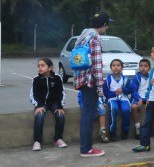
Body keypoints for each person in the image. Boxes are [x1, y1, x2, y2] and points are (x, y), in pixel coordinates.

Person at [74, 11, 111, 157]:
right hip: (90, 81)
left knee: (86, 114)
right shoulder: (95, 37)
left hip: (81, 79)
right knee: (89, 115)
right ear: (103, 25)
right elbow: (96, 64)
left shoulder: (83, 35)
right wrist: (100, 87)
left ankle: (85, 147)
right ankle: (86, 149)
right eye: (107, 25)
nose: (107, 28)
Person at [30, 57, 67, 151]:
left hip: (54, 103)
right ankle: (37, 141)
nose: (40, 68)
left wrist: (60, 106)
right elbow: (32, 94)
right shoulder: (36, 79)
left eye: (42, 65)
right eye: (38, 66)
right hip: (41, 104)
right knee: (39, 116)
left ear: (50, 68)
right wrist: (38, 106)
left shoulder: (57, 78)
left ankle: (58, 139)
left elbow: (62, 92)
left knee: (60, 116)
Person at [103, 59, 132, 141]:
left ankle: (125, 131)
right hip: (112, 98)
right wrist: (114, 93)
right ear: (111, 68)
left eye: (118, 65)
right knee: (114, 109)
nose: (116, 67)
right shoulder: (108, 79)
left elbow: (130, 90)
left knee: (126, 110)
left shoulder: (125, 79)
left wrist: (123, 89)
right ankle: (112, 132)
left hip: (123, 97)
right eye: (114, 65)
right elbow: (106, 93)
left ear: (122, 68)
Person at [130, 59, 151, 139]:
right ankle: (137, 127)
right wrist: (139, 99)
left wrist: (149, 98)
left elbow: (152, 89)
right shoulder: (136, 77)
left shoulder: (150, 77)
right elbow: (133, 91)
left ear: (149, 68)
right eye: (141, 66)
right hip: (138, 97)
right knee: (134, 107)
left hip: (148, 97)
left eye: (145, 66)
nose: (143, 68)